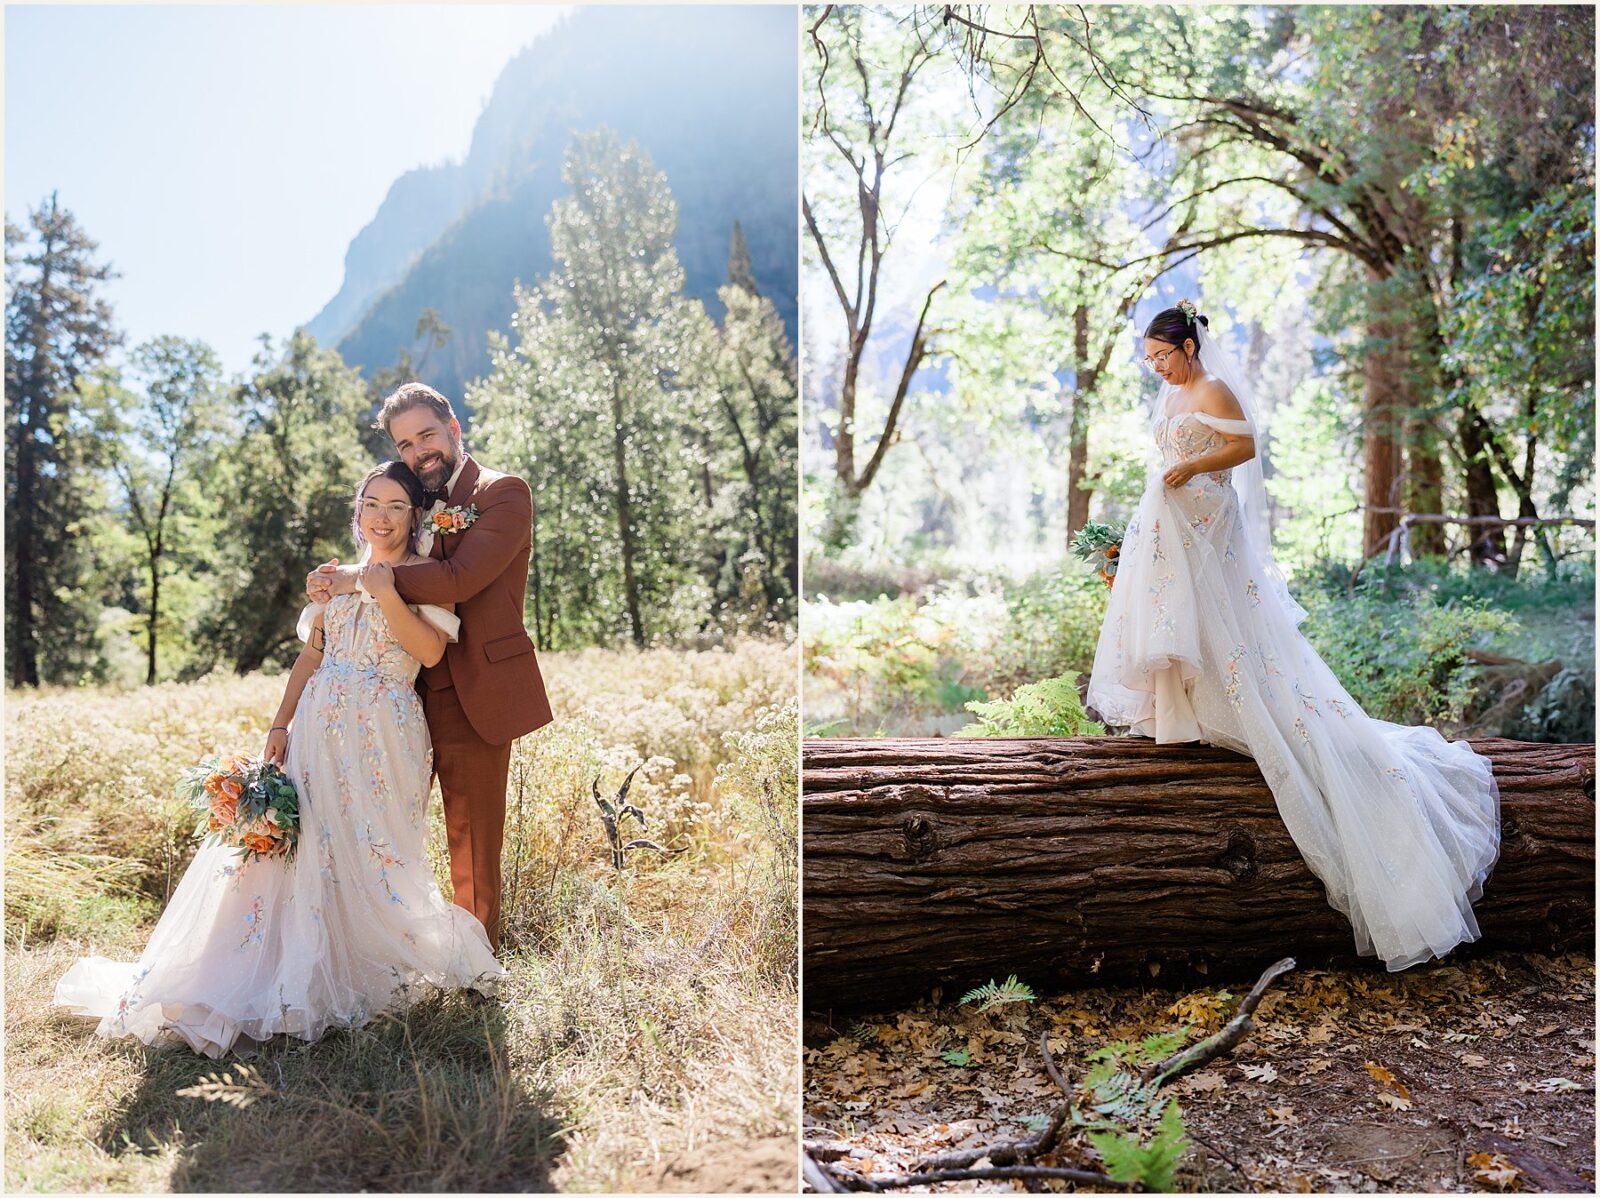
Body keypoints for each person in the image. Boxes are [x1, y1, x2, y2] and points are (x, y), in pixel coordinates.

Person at [1086, 300, 1501, 971]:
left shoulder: (1213, 387)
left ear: (1189, 346)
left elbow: (1244, 447)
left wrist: (1192, 469)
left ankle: (1243, 710)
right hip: (1175, 524)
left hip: (1210, 522)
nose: (1157, 367)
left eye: (1163, 356)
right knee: (1180, 619)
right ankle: (1180, 710)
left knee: (1228, 624)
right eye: (1150, 359)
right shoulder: (1172, 394)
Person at [55, 462, 504, 1057]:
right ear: (358, 512)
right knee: (309, 838)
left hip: (385, 728)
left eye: (397, 505)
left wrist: (383, 589)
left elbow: (426, 651)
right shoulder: (329, 580)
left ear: (415, 514)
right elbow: (311, 659)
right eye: (372, 504)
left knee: (375, 841)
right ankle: (287, 967)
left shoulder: (428, 576)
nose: (383, 517)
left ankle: (365, 959)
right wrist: (280, 723)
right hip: (318, 724)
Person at [306, 382, 552, 952]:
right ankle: (374, 951)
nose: (419, 451)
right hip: (393, 694)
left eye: (427, 436)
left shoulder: (503, 493)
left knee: (471, 839)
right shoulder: (409, 500)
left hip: (473, 689)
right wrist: (335, 581)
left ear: (454, 428)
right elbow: (383, 545)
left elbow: (458, 579)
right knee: (380, 825)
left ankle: (476, 965)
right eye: (405, 444)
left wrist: (354, 581)